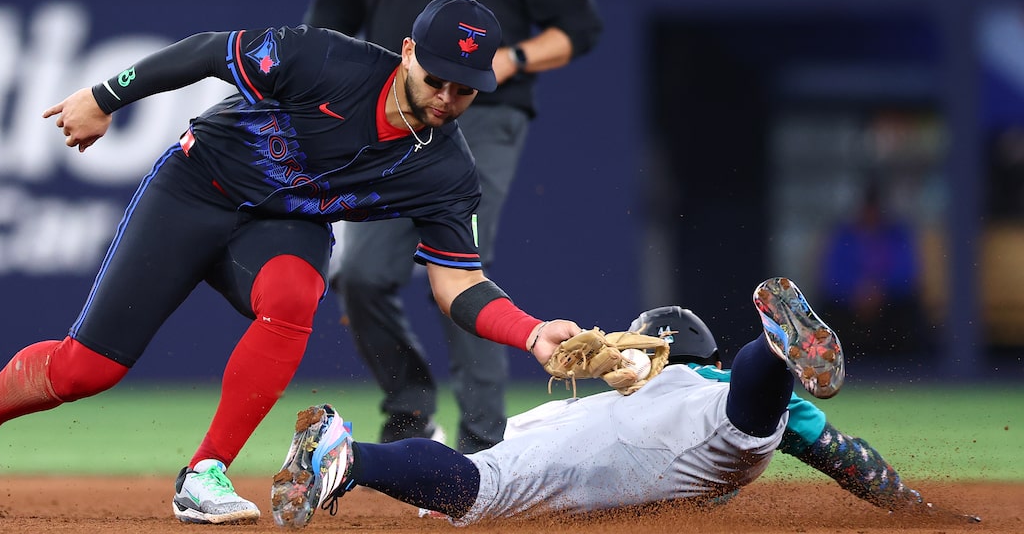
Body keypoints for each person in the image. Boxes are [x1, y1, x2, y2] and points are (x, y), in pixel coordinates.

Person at [0, 0, 582, 524]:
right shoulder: (327, 60)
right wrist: (104, 97)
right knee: (86, 370)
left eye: (465, 90)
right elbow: (207, 52)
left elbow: (457, 285)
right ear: (406, 52)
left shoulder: (447, 170)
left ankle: (205, 474)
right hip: (195, 190)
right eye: (437, 79)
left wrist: (530, 332)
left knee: (295, 295)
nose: (446, 100)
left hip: (283, 229)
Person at [303, 0, 603, 453]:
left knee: (461, 272)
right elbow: (327, 28)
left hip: (482, 118)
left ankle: (481, 449)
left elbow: (579, 28)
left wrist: (513, 59)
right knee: (360, 276)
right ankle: (410, 406)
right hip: (392, 122)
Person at [271, 277, 981, 527]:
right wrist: (912, 509)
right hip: (675, 429)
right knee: (746, 424)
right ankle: (771, 350)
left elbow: (500, 453)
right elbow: (845, 457)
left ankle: (351, 454)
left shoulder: (636, 376)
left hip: (601, 433)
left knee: (479, 484)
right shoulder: (700, 383)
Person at [817, 180, 929, 356]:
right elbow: (831, 276)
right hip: (850, 304)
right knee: (829, 311)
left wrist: (879, 291)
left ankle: (906, 365)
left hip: (888, 304)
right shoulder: (844, 235)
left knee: (909, 311)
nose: (871, 215)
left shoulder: (897, 234)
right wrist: (857, 291)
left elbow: (908, 274)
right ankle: (835, 362)